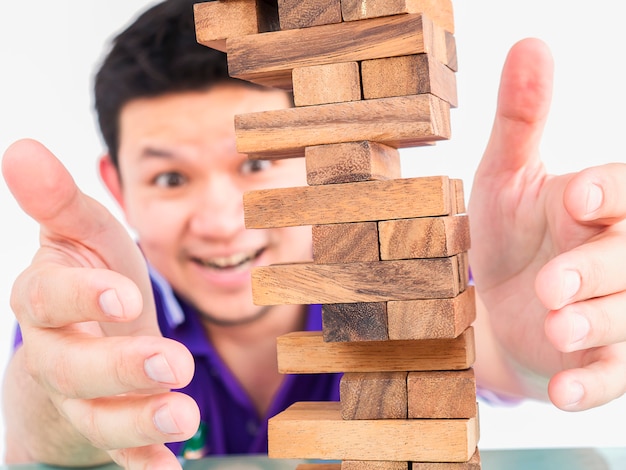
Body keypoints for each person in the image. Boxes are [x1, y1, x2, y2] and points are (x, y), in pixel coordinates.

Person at [2, 0, 626, 468]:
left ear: (325, 156)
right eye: (169, 178)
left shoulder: (402, 278)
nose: (222, 222)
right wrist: (55, 404)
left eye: (256, 162)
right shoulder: (93, 303)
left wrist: (528, 344)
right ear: (117, 187)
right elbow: (39, 420)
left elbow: (497, 351)